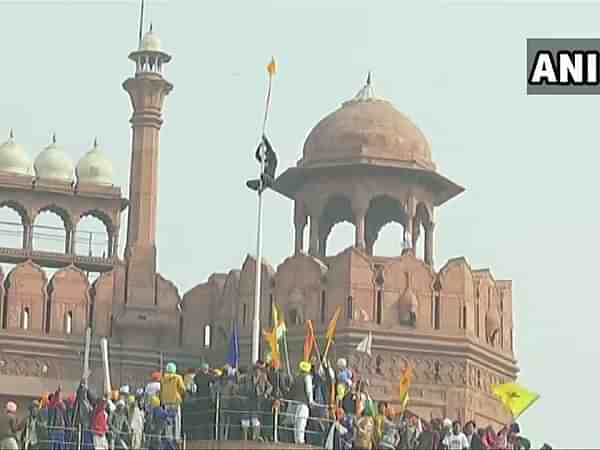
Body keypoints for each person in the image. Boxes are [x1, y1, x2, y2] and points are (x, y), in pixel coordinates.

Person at [289, 361, 315, 444]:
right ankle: (301, 441)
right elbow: (309, 390)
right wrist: (311, 401)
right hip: (303, 404)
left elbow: (291, 390)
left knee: (296, 424)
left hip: (294, 403)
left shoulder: (296, 377)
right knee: (302, 423)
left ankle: (296, 440)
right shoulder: (307, 377)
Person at [160, 362, 186, 443]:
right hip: (175, 401)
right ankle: (177, 437)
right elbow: (182, 389)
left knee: (168, 420)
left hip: (166, 402)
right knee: (177, 419)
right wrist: (182, 396)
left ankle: (169, 437)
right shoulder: (178, 377)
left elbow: (161, 390)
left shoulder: (163, 378)